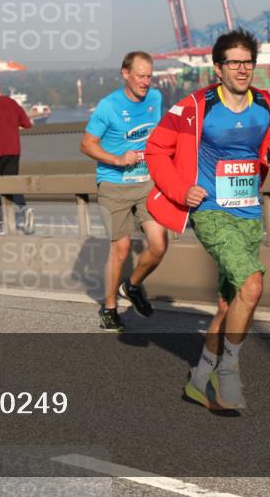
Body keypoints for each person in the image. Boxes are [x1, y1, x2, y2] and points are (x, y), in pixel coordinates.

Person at [146, 29, 270, 410]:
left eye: (248, 61)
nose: (242, 69)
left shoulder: (267, 104)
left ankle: (198, 379)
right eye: (234, 62)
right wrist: (182, 190)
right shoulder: (195, 107)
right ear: (218, 68)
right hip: (211, 211)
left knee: (228, 305)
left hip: (249, 210)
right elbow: (155, 149)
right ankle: (228, 370)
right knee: (252, 285)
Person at [81, 51, 168, 331]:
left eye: (149, 76)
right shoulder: (108, 107)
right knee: (121, 249)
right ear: (125, 73)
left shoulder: (155, 99)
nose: (146, 81)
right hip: (113, 184)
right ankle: (109, 307)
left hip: (147, 183)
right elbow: (87, 144)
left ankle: (132, 286)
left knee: (158, 245)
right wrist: (118, 159)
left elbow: (159, 136)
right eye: (141, 76)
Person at [0, 79, 34, 235]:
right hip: (13, 150)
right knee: (12, 184)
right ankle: (25, 211)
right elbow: (27, 124)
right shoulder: (12, 102)